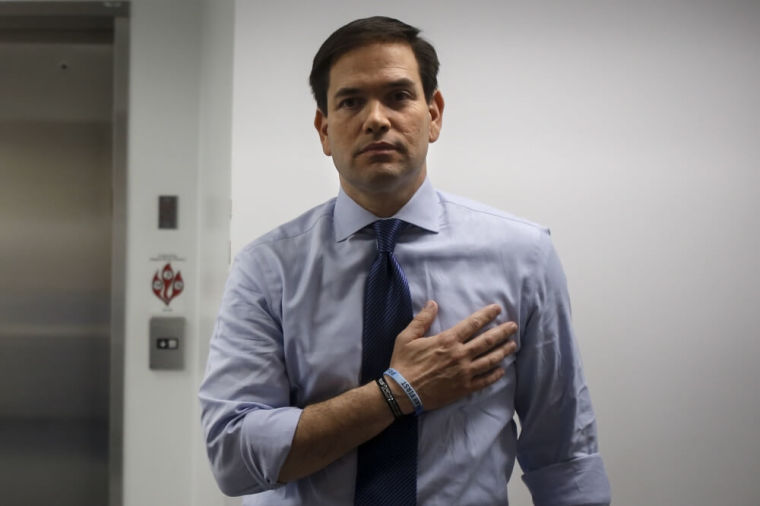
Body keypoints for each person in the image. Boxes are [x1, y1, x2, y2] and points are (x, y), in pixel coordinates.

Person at [200, 16, 611, 506]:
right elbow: (233, 454)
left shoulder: (523, 256)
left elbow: (564, 456)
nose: (376, 118)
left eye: (398, 96)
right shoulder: (267, 269)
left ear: (433, 114)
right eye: (351, 101)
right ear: (324, 129)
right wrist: (397, 391)